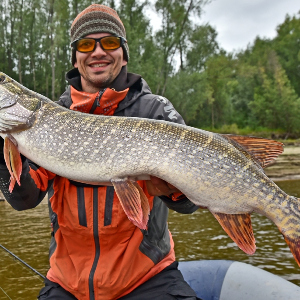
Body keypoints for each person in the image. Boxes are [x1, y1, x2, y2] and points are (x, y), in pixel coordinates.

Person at [0, 4, 201, 300]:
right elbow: (24, 199)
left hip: (148, 279)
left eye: (109, 42)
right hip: (67, 284)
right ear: (76, 56)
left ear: (123, 52)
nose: (97, 52)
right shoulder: (52, 118)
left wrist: (174, 191)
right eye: (85, 44)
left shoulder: (155, 111)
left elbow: (190, 204)